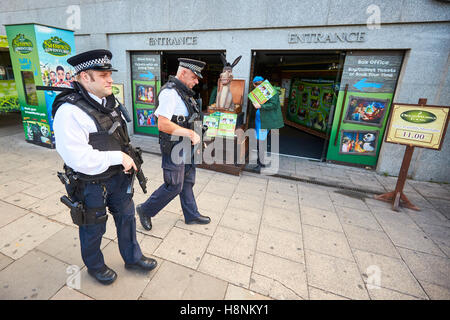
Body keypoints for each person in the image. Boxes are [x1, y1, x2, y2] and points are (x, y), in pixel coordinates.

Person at [52, 49, 157, 285]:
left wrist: (128, 159)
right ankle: (95, 266)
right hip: (91, 184)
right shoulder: (69, 111)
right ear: (85, 77)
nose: (110, 79)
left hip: (118, 178)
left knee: (127, 218)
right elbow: (77, 157)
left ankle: (133, 257)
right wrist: (118, 157)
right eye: (103, 75)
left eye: (110, 73)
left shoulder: (109, 102)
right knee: (93, 227)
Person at [136, 58, 211, 231]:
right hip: (175, 147)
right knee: (174, 185)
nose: (196, 81)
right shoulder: (170, 93)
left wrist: (198, 137)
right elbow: (162, 124)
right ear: (183, 73)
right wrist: (191, 133)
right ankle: (145, 210)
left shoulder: (183, 93)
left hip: (188, 146)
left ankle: (191, 215)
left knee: (187, 181)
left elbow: (188, 119)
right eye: (194, 77)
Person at [251, 76, 284, 172]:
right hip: (259, 120)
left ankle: (260, 164)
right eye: (255, 84)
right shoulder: (259, 92)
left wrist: (260, 106)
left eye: (260, 83)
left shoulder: (271, 90)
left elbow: (273, 105)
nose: (257, 86)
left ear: (264, 82)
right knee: (260, 141)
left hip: (265, 121)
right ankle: (261, 162)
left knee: (260, 142)